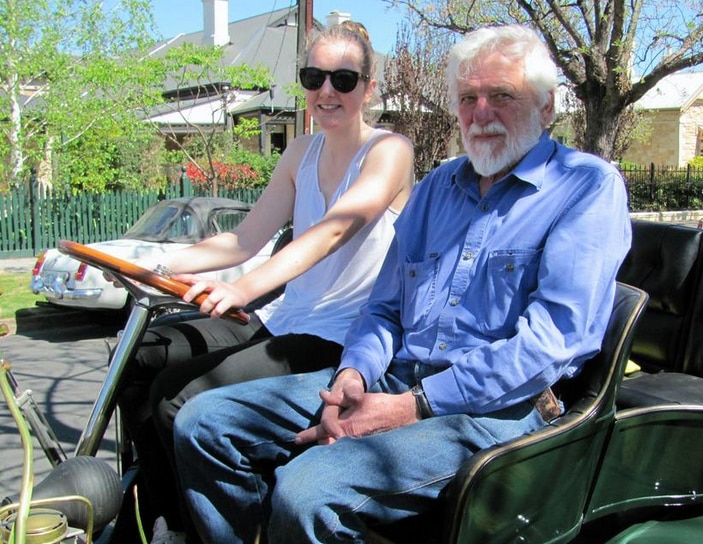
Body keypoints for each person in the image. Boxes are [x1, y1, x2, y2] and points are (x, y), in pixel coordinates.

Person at [174, 24, 632, 544]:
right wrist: (354, 375)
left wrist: (412, 406)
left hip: (496, 411)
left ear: (547, 107)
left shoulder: (586, 186)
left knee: (305, 491)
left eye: (501, 96)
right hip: (394, 379)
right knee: (203, 423)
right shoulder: (440, 187)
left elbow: (552, 342)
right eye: (467, 97)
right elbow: (385, 308)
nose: (480, 113)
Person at [116, 20, 414, 544]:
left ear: (369, 88)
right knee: (145, 355)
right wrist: (160, 266)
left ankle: (241, 529)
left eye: (344, 80)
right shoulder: (300, 153)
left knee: (178, 399)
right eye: (314, 76)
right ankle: (161, 520)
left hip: (339, 337)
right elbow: (244, 239)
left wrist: (245, 288)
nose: (327, 91)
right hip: (283, 320)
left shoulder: (389, 151)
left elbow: (333, 231)